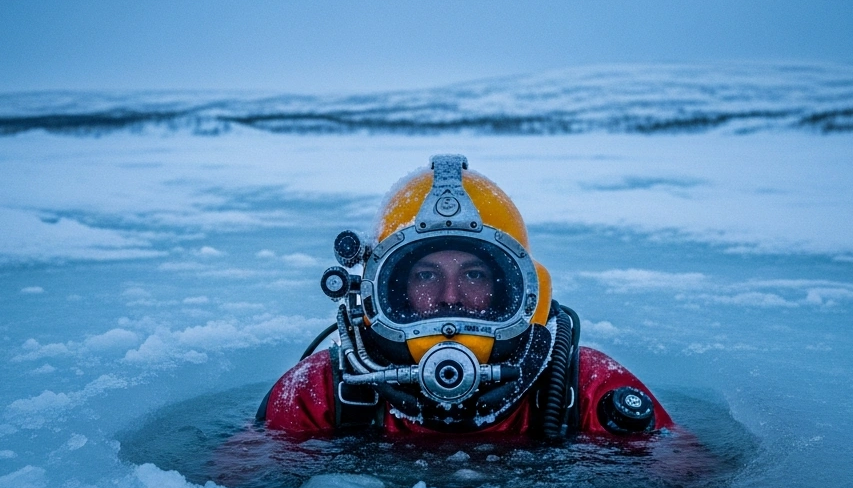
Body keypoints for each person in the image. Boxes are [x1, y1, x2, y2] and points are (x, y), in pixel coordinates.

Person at [253, 154, 693, 443]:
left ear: (520, 287)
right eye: (425, 274)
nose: (450, 297)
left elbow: (689, 486)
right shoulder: (321, 393)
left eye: (475, 274)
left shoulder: (591, 388)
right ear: (378, 289)